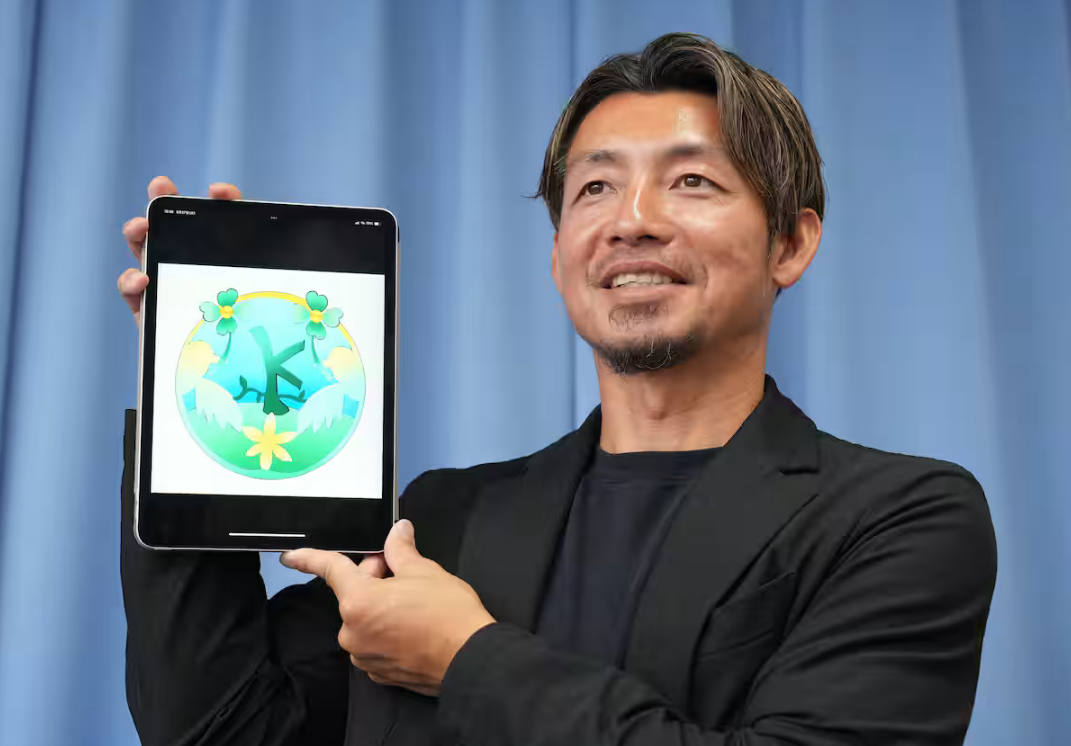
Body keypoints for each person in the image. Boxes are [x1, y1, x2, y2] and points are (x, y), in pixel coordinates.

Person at [116, 33, 996, 746]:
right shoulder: (441, 519)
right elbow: (218, 730)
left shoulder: (899, 517)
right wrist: (190, 404)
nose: (631, 221)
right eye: (596, 187)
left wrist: (466, 660)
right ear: (558, 253)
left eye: (691, 181)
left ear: (790, 244)